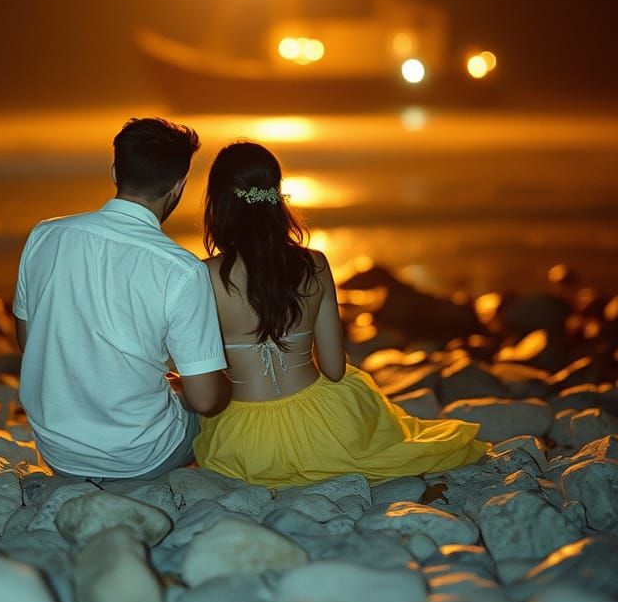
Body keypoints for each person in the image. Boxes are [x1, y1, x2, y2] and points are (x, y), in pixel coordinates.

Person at [193, 141, 489, 489]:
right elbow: (333, 368)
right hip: (324, 430)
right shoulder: (314, 264)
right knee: (366, 402)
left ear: (219, 204)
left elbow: (203, 377)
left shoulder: (203, 276)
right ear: (275, 196)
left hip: (242, 441)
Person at [14, 117, 230, 482]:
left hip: (58, 450)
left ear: (115, 171)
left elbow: (27, 340)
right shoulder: (181, 269)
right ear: (178, 187)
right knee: (222, 399)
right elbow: (206, 400)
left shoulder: (45, 235)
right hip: (141, 456)